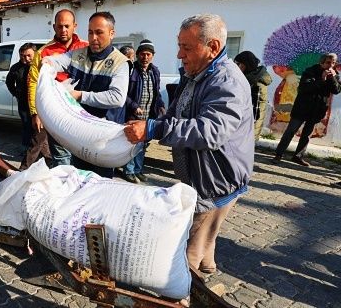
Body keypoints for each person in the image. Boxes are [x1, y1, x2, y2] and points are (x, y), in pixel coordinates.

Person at [124, 14, 254, 274]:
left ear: (213, 47)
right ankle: (207, 267)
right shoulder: (196, 73)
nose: (179, 54)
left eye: (187, 47)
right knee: (207, 239)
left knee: (187, 255)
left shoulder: (226, 82)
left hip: (215, 183)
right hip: (201, 179)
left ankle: (184, 293)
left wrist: (153, 129)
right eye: (179, 45)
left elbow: (211, 131)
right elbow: (176, 112)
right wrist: (153, 123)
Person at [44, 11, 131, 178]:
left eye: (99, 32)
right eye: (90, 32)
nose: (93, 38)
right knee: (77, 178)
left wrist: (80, 95)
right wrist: (47, 63)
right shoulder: (79, 54)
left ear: (112, 34)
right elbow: (57, 61)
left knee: (98, 183)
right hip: (79, 132)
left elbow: (117, 98)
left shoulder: (120, 63)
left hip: (102, 138)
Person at [27, 9, 88, 167]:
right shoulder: (43, 52)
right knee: (61, 156)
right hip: (56, 112)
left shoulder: (86, 48)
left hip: (82, 110)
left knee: (82, 155)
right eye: (60, 26)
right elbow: (34, 82)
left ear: (75, 26)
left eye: (67, 26)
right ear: (54, 27)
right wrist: (36, 112)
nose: (63, 30)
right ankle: (64, 188)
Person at [272, 53, 340, 166]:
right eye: (328, 62)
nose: (331, 65)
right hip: (302, 107)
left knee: (307, 134)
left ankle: (298, 156)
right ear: (322, 62)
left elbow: (336, 90)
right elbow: (304, 88)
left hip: (317, 109)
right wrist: (322, 79)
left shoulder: (334, 75)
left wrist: (332, 78)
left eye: (333, 63)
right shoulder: (310, 71)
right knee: (291, 131)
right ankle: (278, 154)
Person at [114, 39, 166, 183]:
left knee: (143, 144)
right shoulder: (130, 70)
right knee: (132, 143)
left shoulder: (155, 71)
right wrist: (133, 106)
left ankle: (138, 169)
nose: (145, 57)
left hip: (149, 114)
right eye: (142, 54)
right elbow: (123, 93)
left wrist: (161, 105)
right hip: (132, 114)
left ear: (153, 56)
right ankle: (129, 171)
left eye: (148, 54)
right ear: (137, 55)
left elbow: (156, 93)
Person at [234, 51, 272, 140]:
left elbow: (256, 113)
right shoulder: (251, 79)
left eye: (238, 64)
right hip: (246, 129)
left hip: (249, 131)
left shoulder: (257, 84)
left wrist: (250, 135)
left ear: (245, 65)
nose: (236, 67)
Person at [5, 42, 36, 148]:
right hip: (23, 103)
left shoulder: (38, 66)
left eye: (28, 56)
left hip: (38, 103)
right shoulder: (15, 68)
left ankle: (40, 151)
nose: (25, 58)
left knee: (39, 128)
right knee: (27, 126)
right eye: (22, 55)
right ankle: (26, 149)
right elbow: (9, 82)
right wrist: (16, 94)